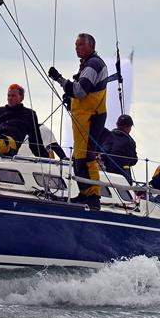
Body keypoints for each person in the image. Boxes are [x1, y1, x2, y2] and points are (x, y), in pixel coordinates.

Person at [48, 33, 108, 210]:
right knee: (79, 158)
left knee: (87, 157)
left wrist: (59, 78)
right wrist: (70, 99)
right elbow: (82, 94)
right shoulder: (89, 64)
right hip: (84, 117)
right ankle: (85, 194)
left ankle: (93, 198)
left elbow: (81, 91)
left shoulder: (93, 65)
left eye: (80, 45)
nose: (76, 48)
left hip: (90, 117)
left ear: (90, 46)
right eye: (76, 45)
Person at [101, 114, 138, 181]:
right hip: (122, 177)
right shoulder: (130, 141)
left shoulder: (107, 135)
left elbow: (103, 153)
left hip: (106, 174)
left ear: (117, 124)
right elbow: (134, 160)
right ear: (127, 127)